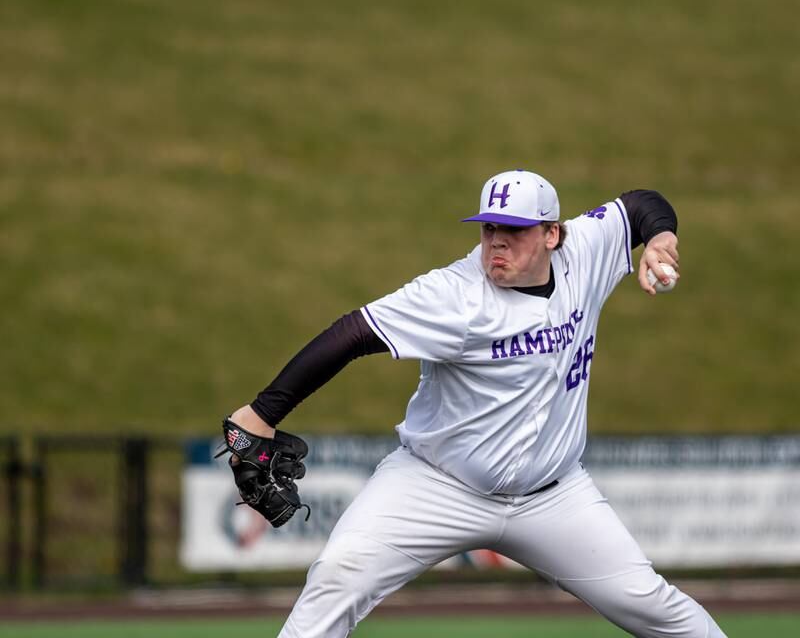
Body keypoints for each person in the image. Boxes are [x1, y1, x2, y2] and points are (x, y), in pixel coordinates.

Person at [228, 170, 727, 637]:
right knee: (335, 580)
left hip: (553, 497)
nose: (497, 242)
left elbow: (643, 205)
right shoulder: (455, 296)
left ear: (553, 235)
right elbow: (352, 333)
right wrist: (260, 415)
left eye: (514, 229)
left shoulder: (586, 250)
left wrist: (660, 237)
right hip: (436, 486)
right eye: (489, 228)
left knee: (657, 608)